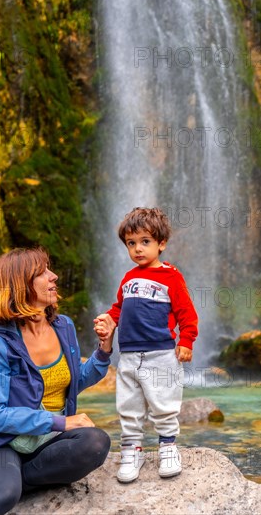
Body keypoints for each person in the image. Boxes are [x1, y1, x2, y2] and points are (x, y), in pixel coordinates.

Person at [0, 247, 114, 515]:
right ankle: (6, 481)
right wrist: (60, 421)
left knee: (95, 443)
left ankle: (15, 479)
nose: (55, 276)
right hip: (5, 444)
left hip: (47, 444)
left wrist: (104, 350)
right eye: (43, 272)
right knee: (5, 494)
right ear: (20, 286)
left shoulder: (64, 326)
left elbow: (75, 381)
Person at [95, 207, 198, 483]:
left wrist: (186, 340)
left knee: (164, 402)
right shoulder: (129, 278)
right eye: (131, 243)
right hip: (128, 355)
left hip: (162, 353)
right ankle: (132, 450)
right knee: (128, 405)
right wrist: (108, 321)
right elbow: (119, 308)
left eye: (145, 242)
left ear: (161, 244)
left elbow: (187, 313)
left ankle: (167, 447)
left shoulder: (171, 277)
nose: (138, 249)